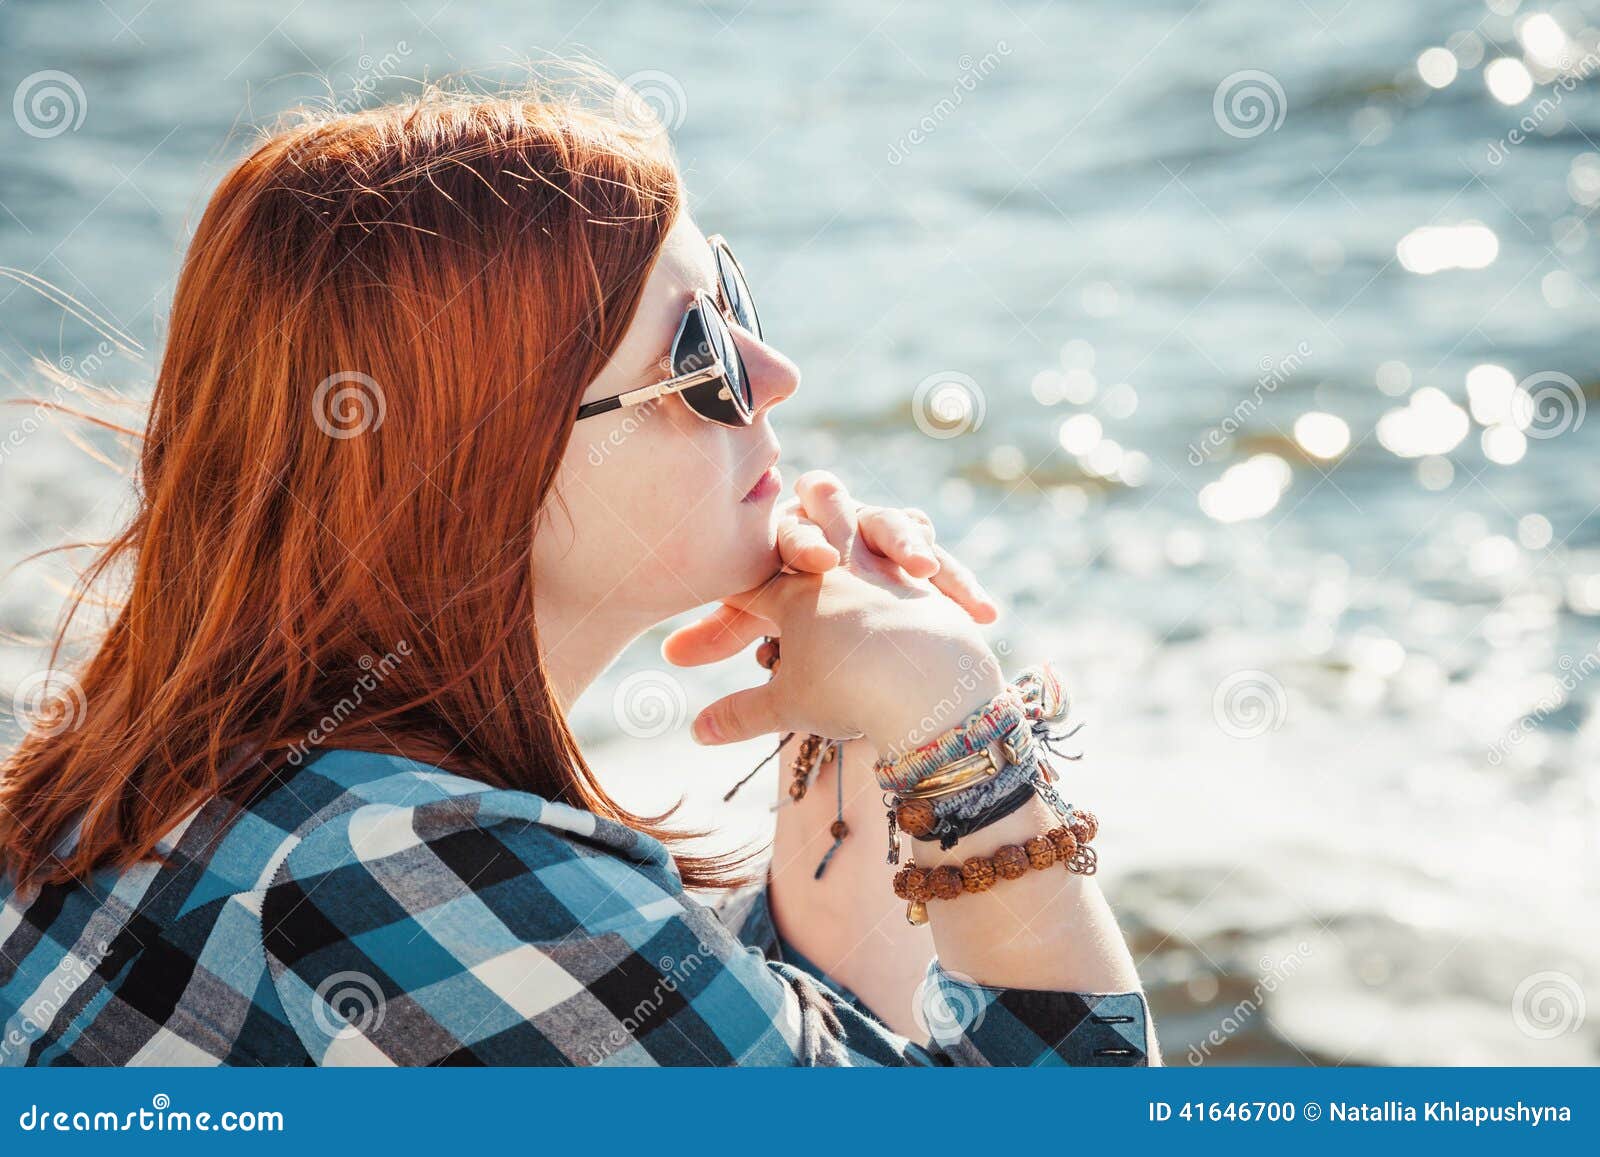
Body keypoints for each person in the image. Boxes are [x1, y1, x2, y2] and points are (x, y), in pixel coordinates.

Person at [0, 82, 1153, 1066]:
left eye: (733, 300)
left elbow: (795, 1028)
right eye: (696, 353)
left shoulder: (150, 788)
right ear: (475, 463)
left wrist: (864, 719)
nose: (777, 370)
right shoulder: (415, 869)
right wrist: (962, 726)